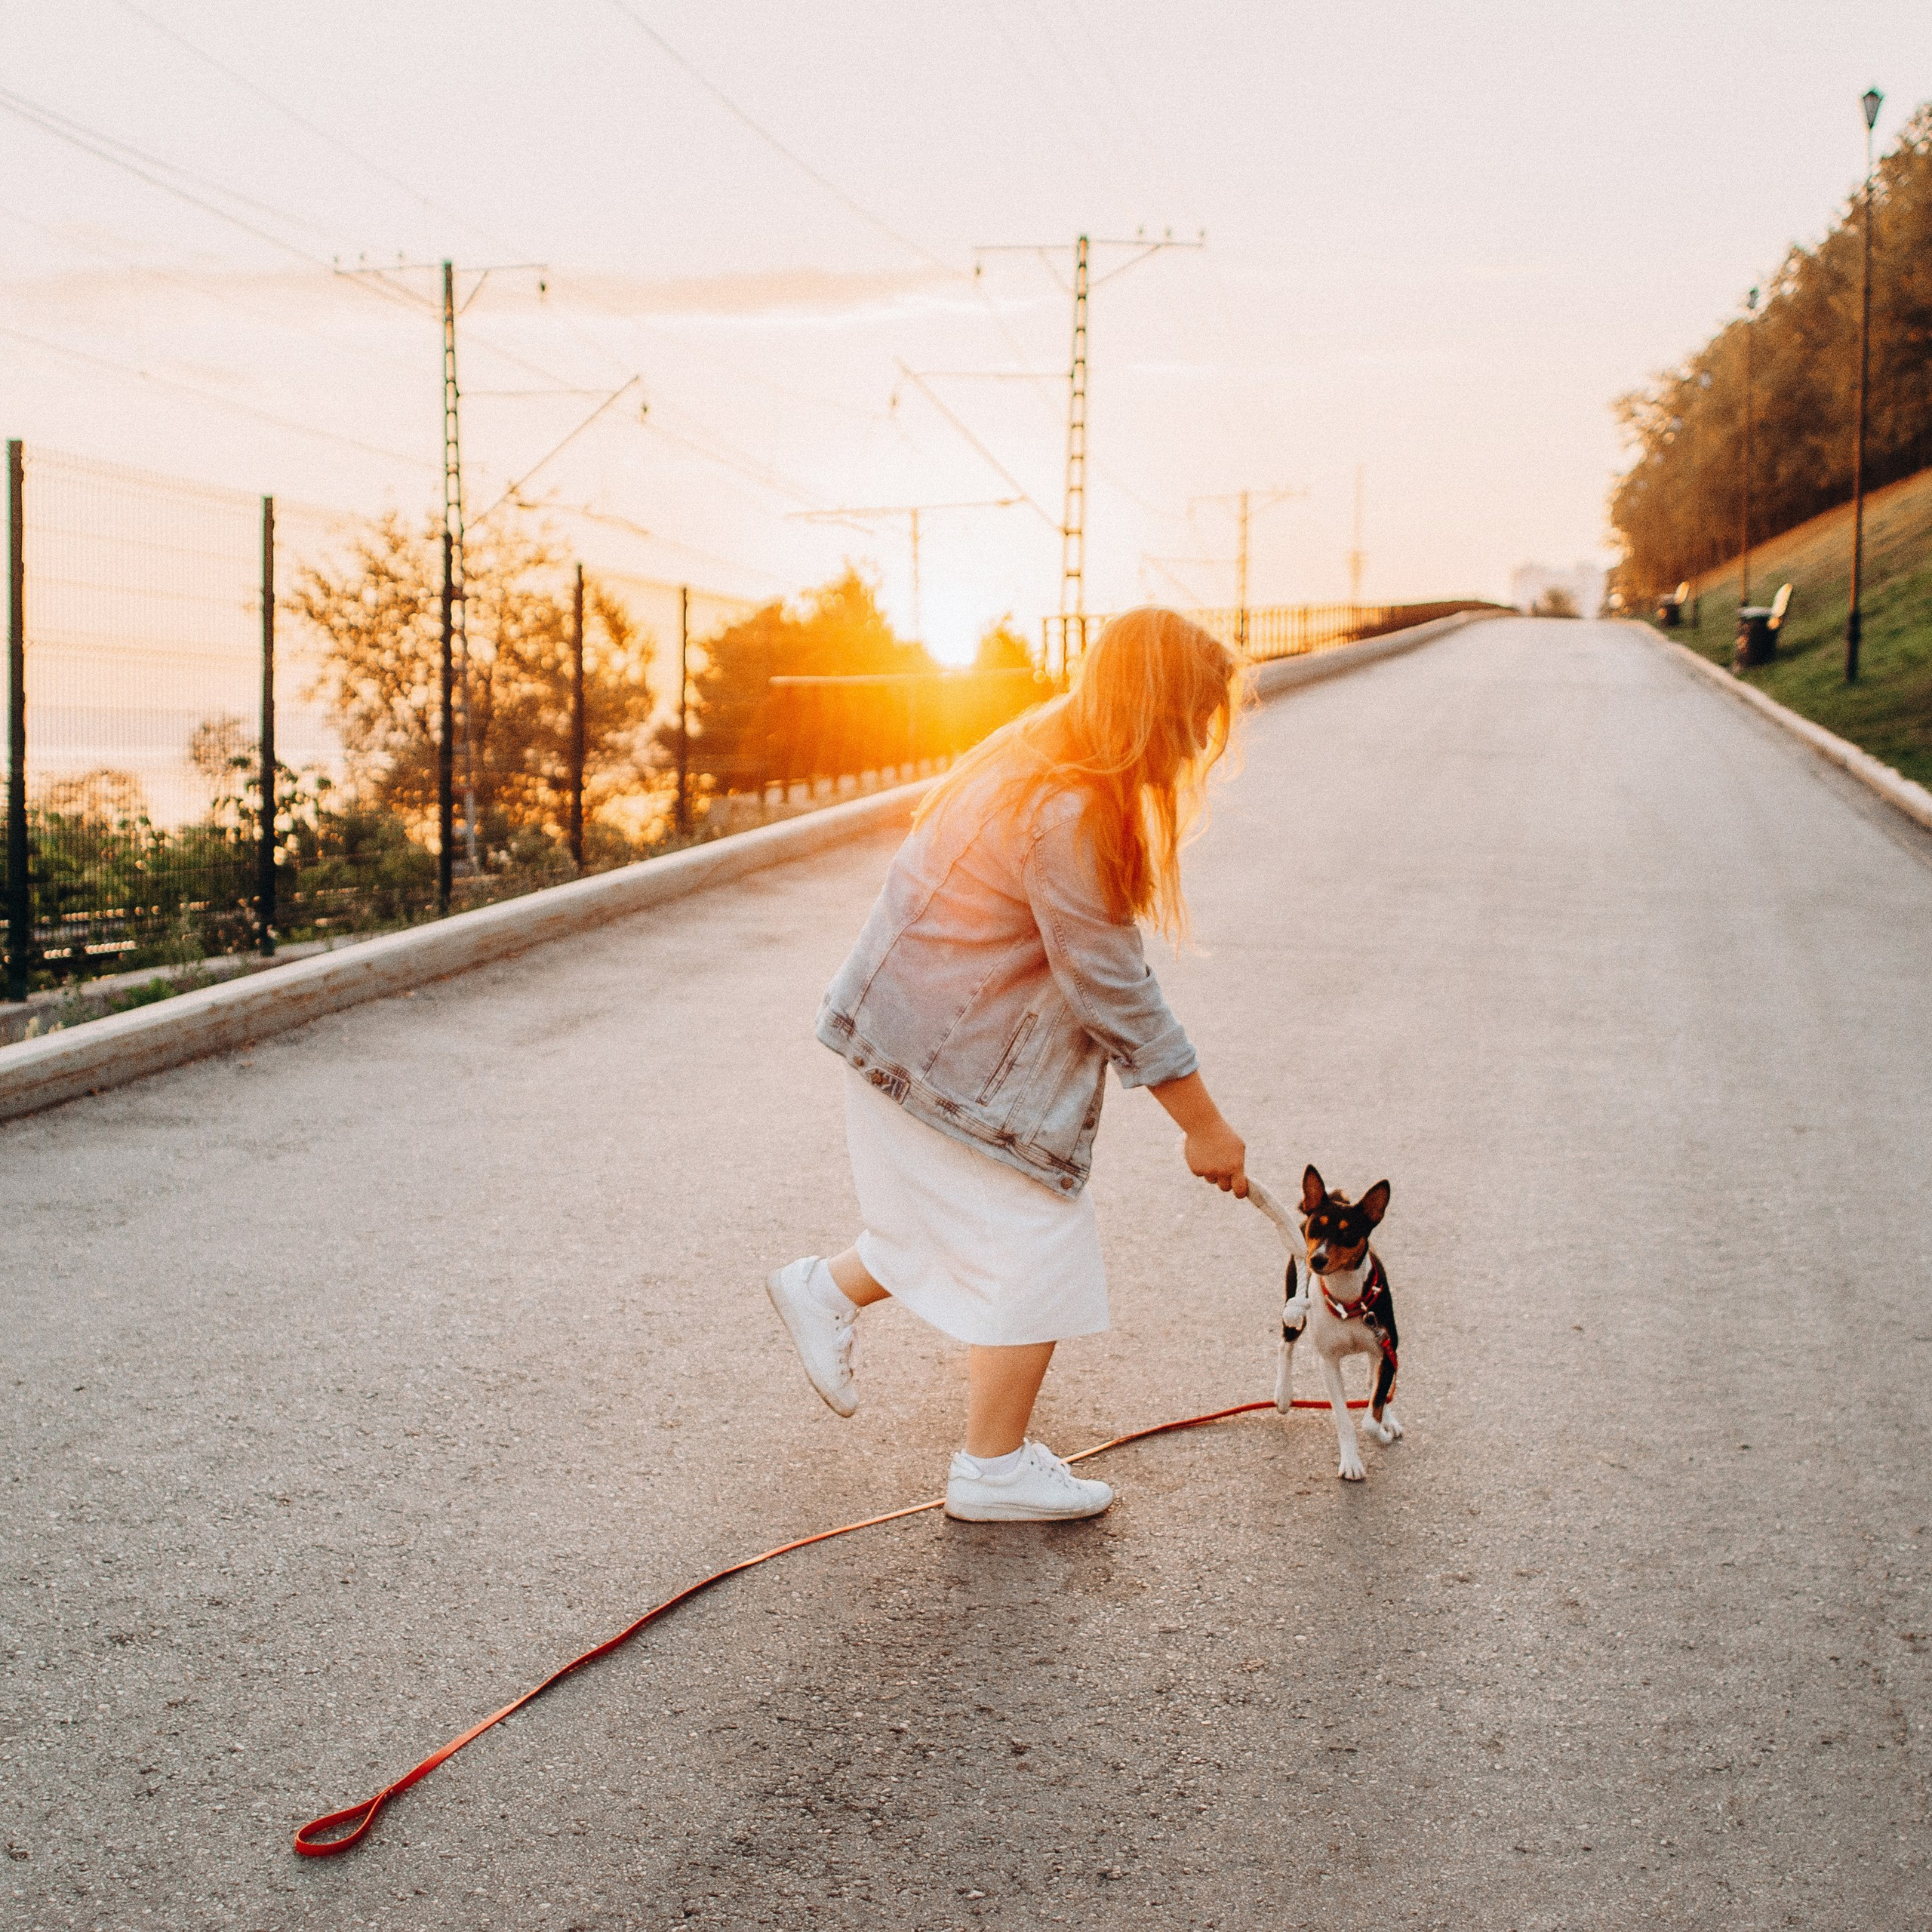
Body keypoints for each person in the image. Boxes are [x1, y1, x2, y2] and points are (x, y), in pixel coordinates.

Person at [768, 607, 1250, 1523]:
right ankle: (991, 1472)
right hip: (940, 1052)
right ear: (1153, 710)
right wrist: (1204, 1126)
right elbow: (1115, 989)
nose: (1194, 747)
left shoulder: (1038, 744)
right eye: (1190, 721)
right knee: (1039, 1238)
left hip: (912, 1035)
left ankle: (822, 1289)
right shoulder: (1063, 808)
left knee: (957, 1224)